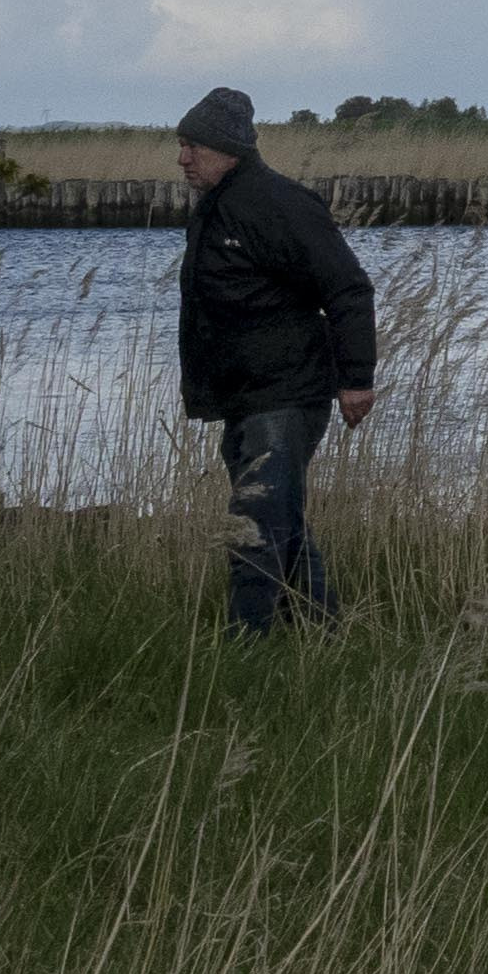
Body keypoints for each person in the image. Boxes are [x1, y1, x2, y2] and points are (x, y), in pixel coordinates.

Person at [172, 86, 375, 632]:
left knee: (255, 529)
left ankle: (248, 647)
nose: (183, 158)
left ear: (227, 148)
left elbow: (349, 290)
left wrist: (356, 380)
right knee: (281, 522)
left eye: (193, 146)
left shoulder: (279, 203)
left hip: (286, 396)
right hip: (245, 396)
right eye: (181, 145)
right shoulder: (215, 208)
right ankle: (321, 634)